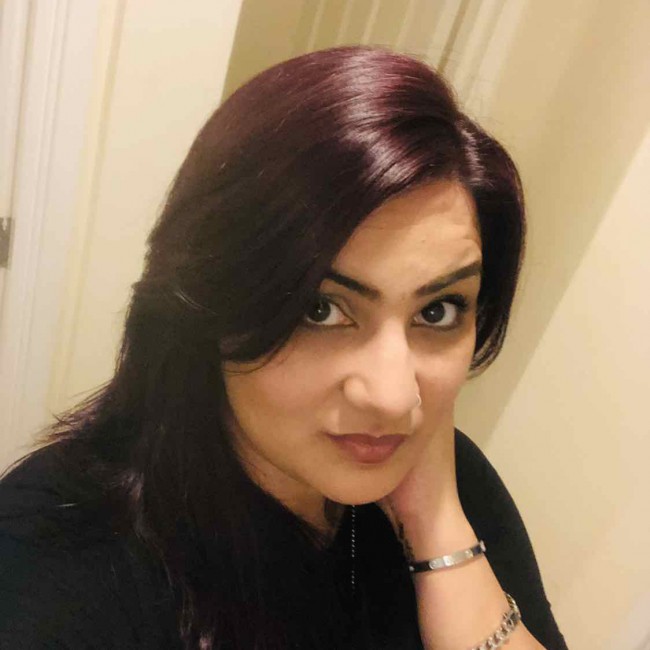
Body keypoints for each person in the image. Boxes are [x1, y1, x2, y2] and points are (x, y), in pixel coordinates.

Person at [0, 46, 568, 649]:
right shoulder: (57, 554)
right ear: (207, 302)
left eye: (438, 311)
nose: (393, 397)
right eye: (320, 309)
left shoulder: (451, 483)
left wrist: (438, 530)